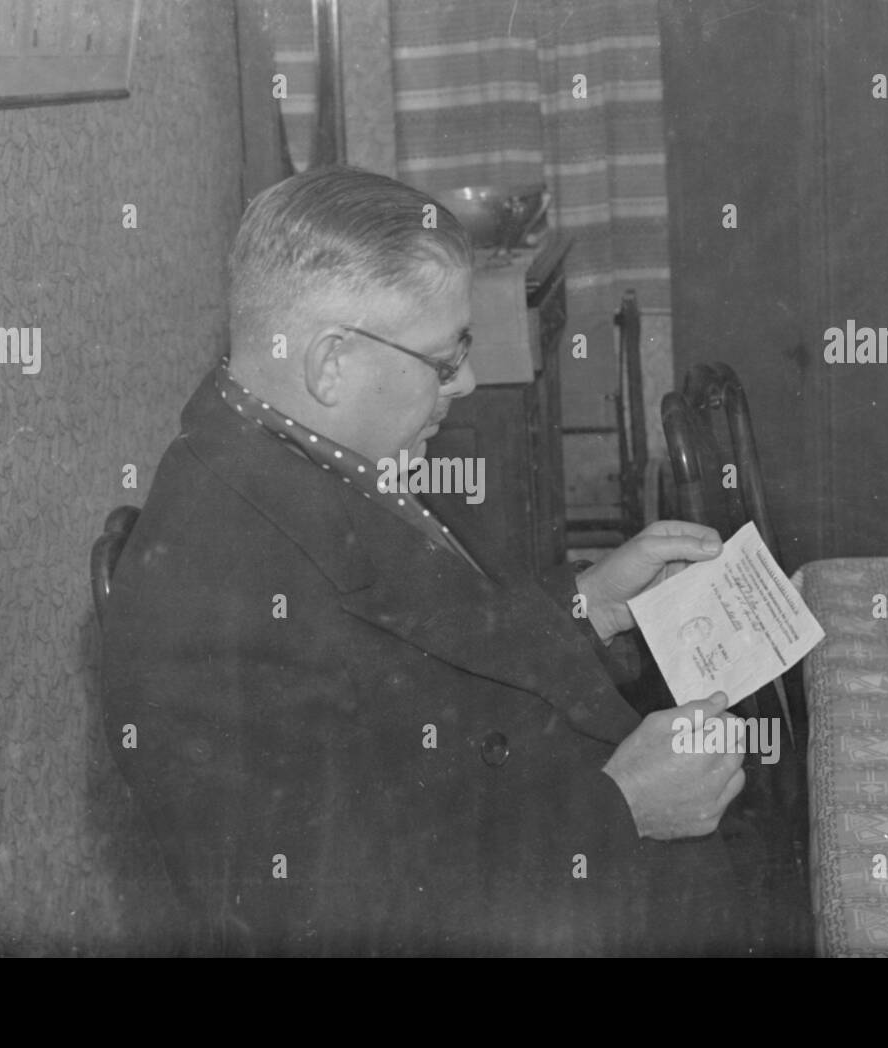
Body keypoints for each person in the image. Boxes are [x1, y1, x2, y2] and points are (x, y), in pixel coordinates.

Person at [101, 165, 797, 956]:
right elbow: (325, 922)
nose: (464, 381)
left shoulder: (302, 448)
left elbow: (432, 644)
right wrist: (622, 807)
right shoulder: (207, 601)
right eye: (442, 359)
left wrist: (590, 605)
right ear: (330, 364)